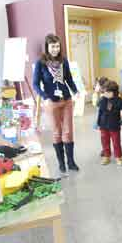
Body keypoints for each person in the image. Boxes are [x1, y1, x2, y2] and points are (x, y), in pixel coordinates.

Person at [33, 34, 79, 176]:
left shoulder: (63, 61)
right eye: (53, 46)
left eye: (57, 46)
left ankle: (71, 162)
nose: (55, 49)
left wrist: (76, 91)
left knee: (68, 132)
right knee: (57, 132)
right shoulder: (41, 63)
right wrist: (45, 97)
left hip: (66, 100)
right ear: (47, 47)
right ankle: (61, 163)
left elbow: (69, 79)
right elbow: (35, 84)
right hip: (51, 102)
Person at [97, 80, 122, 166]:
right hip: (103, 125)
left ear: (114, 92)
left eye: (107, 92)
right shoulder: (102, 100)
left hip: (114, 125)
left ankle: (118, 157)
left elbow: (121, 113)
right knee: (104, 141)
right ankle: (106, 156)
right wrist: (98, 123)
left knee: (116, 142)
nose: (105, 93)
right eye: (104, 91)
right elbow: (100, 112)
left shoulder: (119, 101)